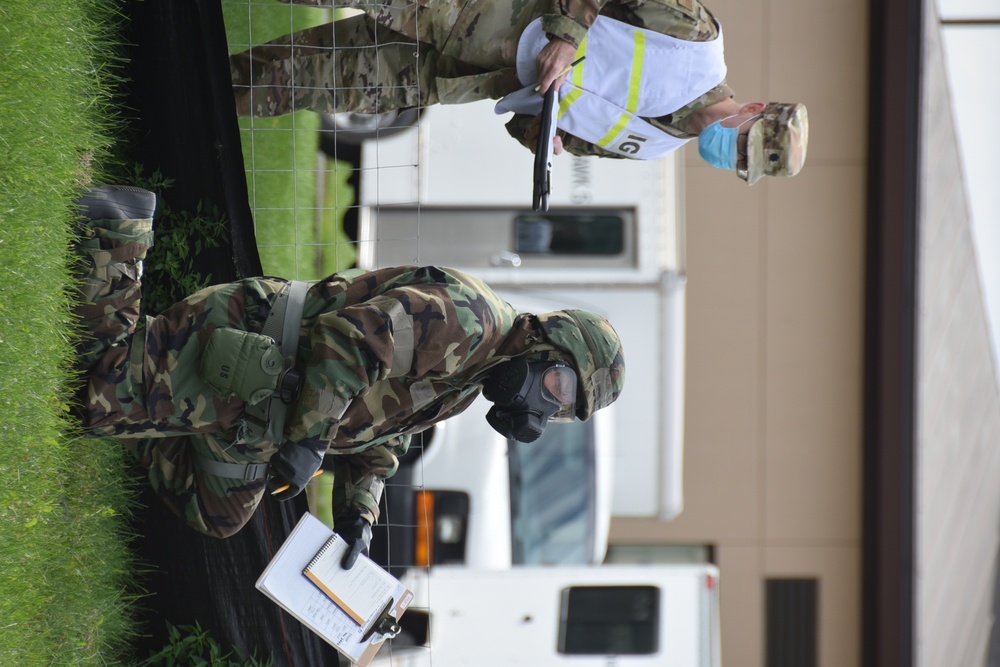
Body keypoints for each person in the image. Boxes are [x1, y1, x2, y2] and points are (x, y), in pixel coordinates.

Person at [72, 186, 626, 566]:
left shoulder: (477, 372)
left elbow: (390, 432)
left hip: (264, 410)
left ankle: (150, 408)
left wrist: (360, 511)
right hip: (257, 344)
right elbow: (347, 341)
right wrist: (312, 440)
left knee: (219, 515)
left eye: (563, 408)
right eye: (560, 387)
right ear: (547, 341)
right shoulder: (469, 321)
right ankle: (118, 226)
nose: (548, 406)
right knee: (88, 399)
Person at [229, 0, 808, 185]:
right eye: (743, 143)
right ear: (753, 110)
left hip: (455, 77)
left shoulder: (650, 147)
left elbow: (534, 125)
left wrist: (540, 135)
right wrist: (568, 35)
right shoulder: (695, 40)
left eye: (739, 163)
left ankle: (175, 85)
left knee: (290, 80)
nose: (728, 154)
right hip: (476, 11)